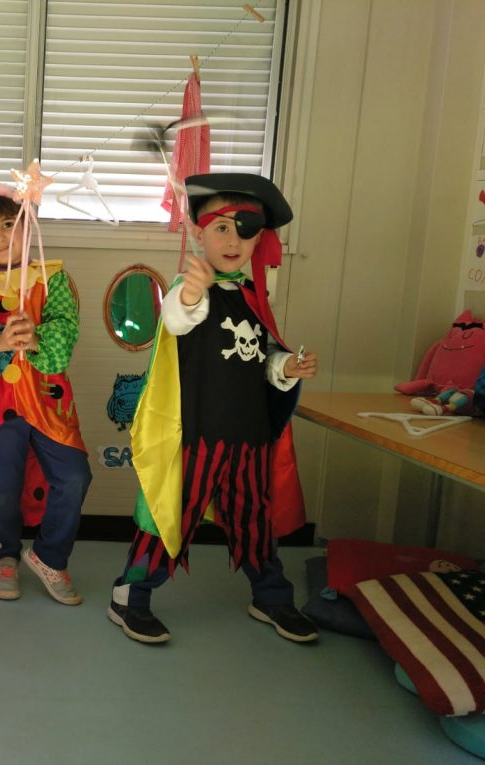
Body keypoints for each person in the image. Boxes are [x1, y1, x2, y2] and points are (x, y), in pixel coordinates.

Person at [108, 173, 320, 645]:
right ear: (198, 232)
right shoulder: (187, 290)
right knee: (169, 518)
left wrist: (287, 366)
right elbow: (178, 318)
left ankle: (270, 596)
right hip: (196, 438)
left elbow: (261, 359)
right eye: (221, 227)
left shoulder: (252, 298)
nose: (233, 240)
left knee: (255, 521)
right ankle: (129, 596)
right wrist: (192, 290)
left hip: (248, 437)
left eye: (246, 230)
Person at [0, 182, 92, 605]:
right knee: (2, 487)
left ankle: (50, 556)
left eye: (10, 226)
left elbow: (66, 329)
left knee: (74, 476)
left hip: (49, 402)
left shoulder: (53, 277)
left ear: (28, 228)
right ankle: (5, 554)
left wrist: (37, 337)